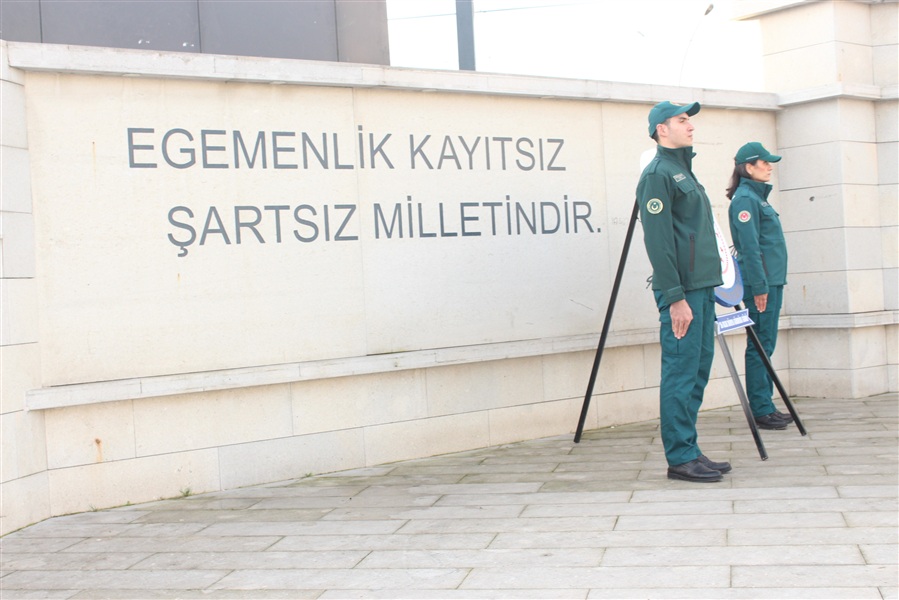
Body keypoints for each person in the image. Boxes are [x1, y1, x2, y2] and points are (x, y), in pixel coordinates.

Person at [637, 101, 728, 483]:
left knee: (697, 370)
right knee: (680, 372)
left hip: (701, 288)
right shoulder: (657, 175)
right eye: (682, 120)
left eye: (689, 120)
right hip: (683, 292)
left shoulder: (682, 170)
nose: (690, 126)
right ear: (662, 129)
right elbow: (658, 242)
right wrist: (675, 297)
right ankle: (679, 457)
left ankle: (689, 448)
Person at [726, 142, 793, 430]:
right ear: (748, 167)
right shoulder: (745, 200)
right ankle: (761, 409)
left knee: (766, 343)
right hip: (761, 284)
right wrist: (760, 286)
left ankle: (766, 403)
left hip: (771, 281)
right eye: (764, 163)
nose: (769, 167)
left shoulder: (756, 198)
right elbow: (750, 247)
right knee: (760, 345)